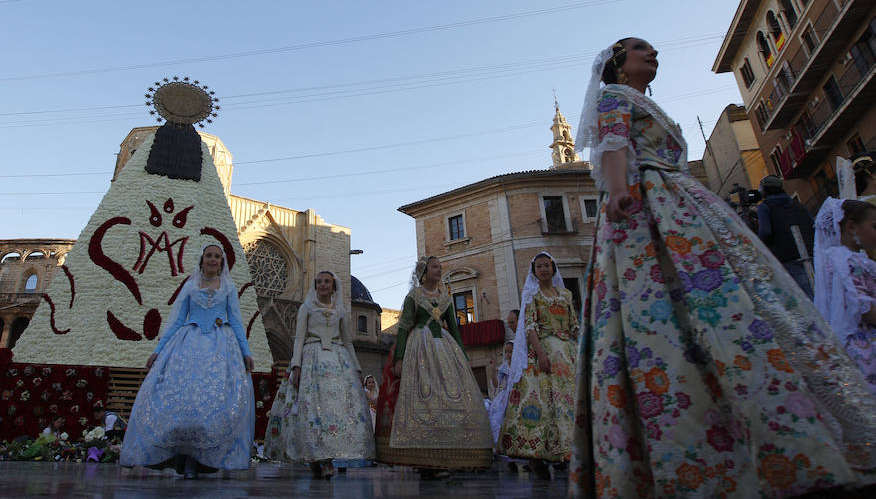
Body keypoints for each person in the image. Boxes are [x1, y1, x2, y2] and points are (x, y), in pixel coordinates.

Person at [568, 37, 876, 496]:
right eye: (640, 49)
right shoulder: (614, 97)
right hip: (649, 208)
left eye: (654, 49)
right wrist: (616, 191)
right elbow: (614, 145)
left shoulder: (643, 102)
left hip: (683, 205)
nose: (652, 54)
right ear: (618, 62)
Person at [119, 243, 255, 479]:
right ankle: (175, 455)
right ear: (201, 260)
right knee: (181, 401)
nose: (213, 260)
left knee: (209, 403)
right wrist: (158, 351)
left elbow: (236, 321)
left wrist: (246, 352)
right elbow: (176, 320)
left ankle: (197, 460)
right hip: (186, 347)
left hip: (220, 349)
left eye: (217, 257)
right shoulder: (190, 287)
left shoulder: (229, 289)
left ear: (222, 262)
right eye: (209, 256)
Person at [374, 256, 493, 479]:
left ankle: (449, 453)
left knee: (449, 397)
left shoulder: (445, 297)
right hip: (419, 346)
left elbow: (455, 329)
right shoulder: (414, 296)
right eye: (435, 267)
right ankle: (423, 457)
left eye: (440, 267)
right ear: (424, 271)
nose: (439, 270)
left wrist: (463, 356)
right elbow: (403, 327)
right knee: (423, 397)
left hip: (445, 348)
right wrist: (399, 358)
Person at [263, 270, 374, 478]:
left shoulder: (340, 311)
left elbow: (348, 341)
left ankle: (326, 458)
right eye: (320, 282)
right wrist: (296, 364)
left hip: (338, 359)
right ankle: (316, 458)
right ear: (316, 285)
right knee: (311, 409)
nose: (323, 285)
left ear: (333, 286)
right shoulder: (306, 308)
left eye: (327, 282)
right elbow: (299, 337)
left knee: (333, 409)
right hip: (311, 358)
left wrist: (357, 368)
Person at [495, 252, 578, 479]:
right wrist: (540, 353)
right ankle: (538, 455)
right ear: (534, 271)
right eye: (539, 266)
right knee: (542, 402)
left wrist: (579, 347)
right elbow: (530, 326)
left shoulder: (566, 294)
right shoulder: (532, 296)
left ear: (553, 268)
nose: (543, 269)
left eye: (547, 265)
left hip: (568, 353)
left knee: (567, 402)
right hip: (544, 353)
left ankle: (567, 450)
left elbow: (574, 324)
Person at [814, 198, 876, 394]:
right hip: (865, 345)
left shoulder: (850, 258)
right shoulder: (845, 261)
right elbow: (863, 305)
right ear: (851, 227)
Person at [756, 175, 815, 298]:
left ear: (765, 190)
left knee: (805, 297)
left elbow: (765, 232)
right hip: (810, 254)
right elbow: (813, 225)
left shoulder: (764, 207)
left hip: (786, 257)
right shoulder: (799, 206)